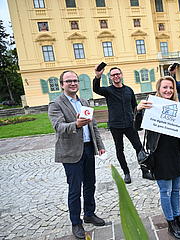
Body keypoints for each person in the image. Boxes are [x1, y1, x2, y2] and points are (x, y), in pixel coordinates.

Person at [135, 76, 180, 239]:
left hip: (175, 153)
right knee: (166, 191)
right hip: (159, 156)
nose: (168, 90)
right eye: (165, 87)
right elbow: (136, 126)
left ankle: (178, 217)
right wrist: (139, 109)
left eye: (171, 87)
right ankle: (171, 223)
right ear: (159, 89)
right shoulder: (151, 106)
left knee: (176, 190)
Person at [48, 70, 106, 239]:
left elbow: (93, 125)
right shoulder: (56, 104)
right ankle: (76, 222)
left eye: (75, 80)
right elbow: (59, 127)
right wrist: (77, 124)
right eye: (68, 81)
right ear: (62, 84)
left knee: (90, 184)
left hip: (88, 148)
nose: (73, 83)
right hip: (71, 153)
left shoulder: (84, 101)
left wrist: (100, 146)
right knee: (75, 189)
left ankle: (89, 213)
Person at [93, 65, 153, 184]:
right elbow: (96, 89)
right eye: (113, 75)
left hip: (130, 124)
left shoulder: (129, 90)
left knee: (139, 148)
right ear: (110, 77)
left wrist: (140, 113)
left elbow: (134, 107)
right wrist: (97, 76)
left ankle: (145, 171)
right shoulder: (108, 91)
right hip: (116, 126)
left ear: (121, 75)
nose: (116, 76)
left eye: (118, 74)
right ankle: (126, 173)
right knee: (120, 150)